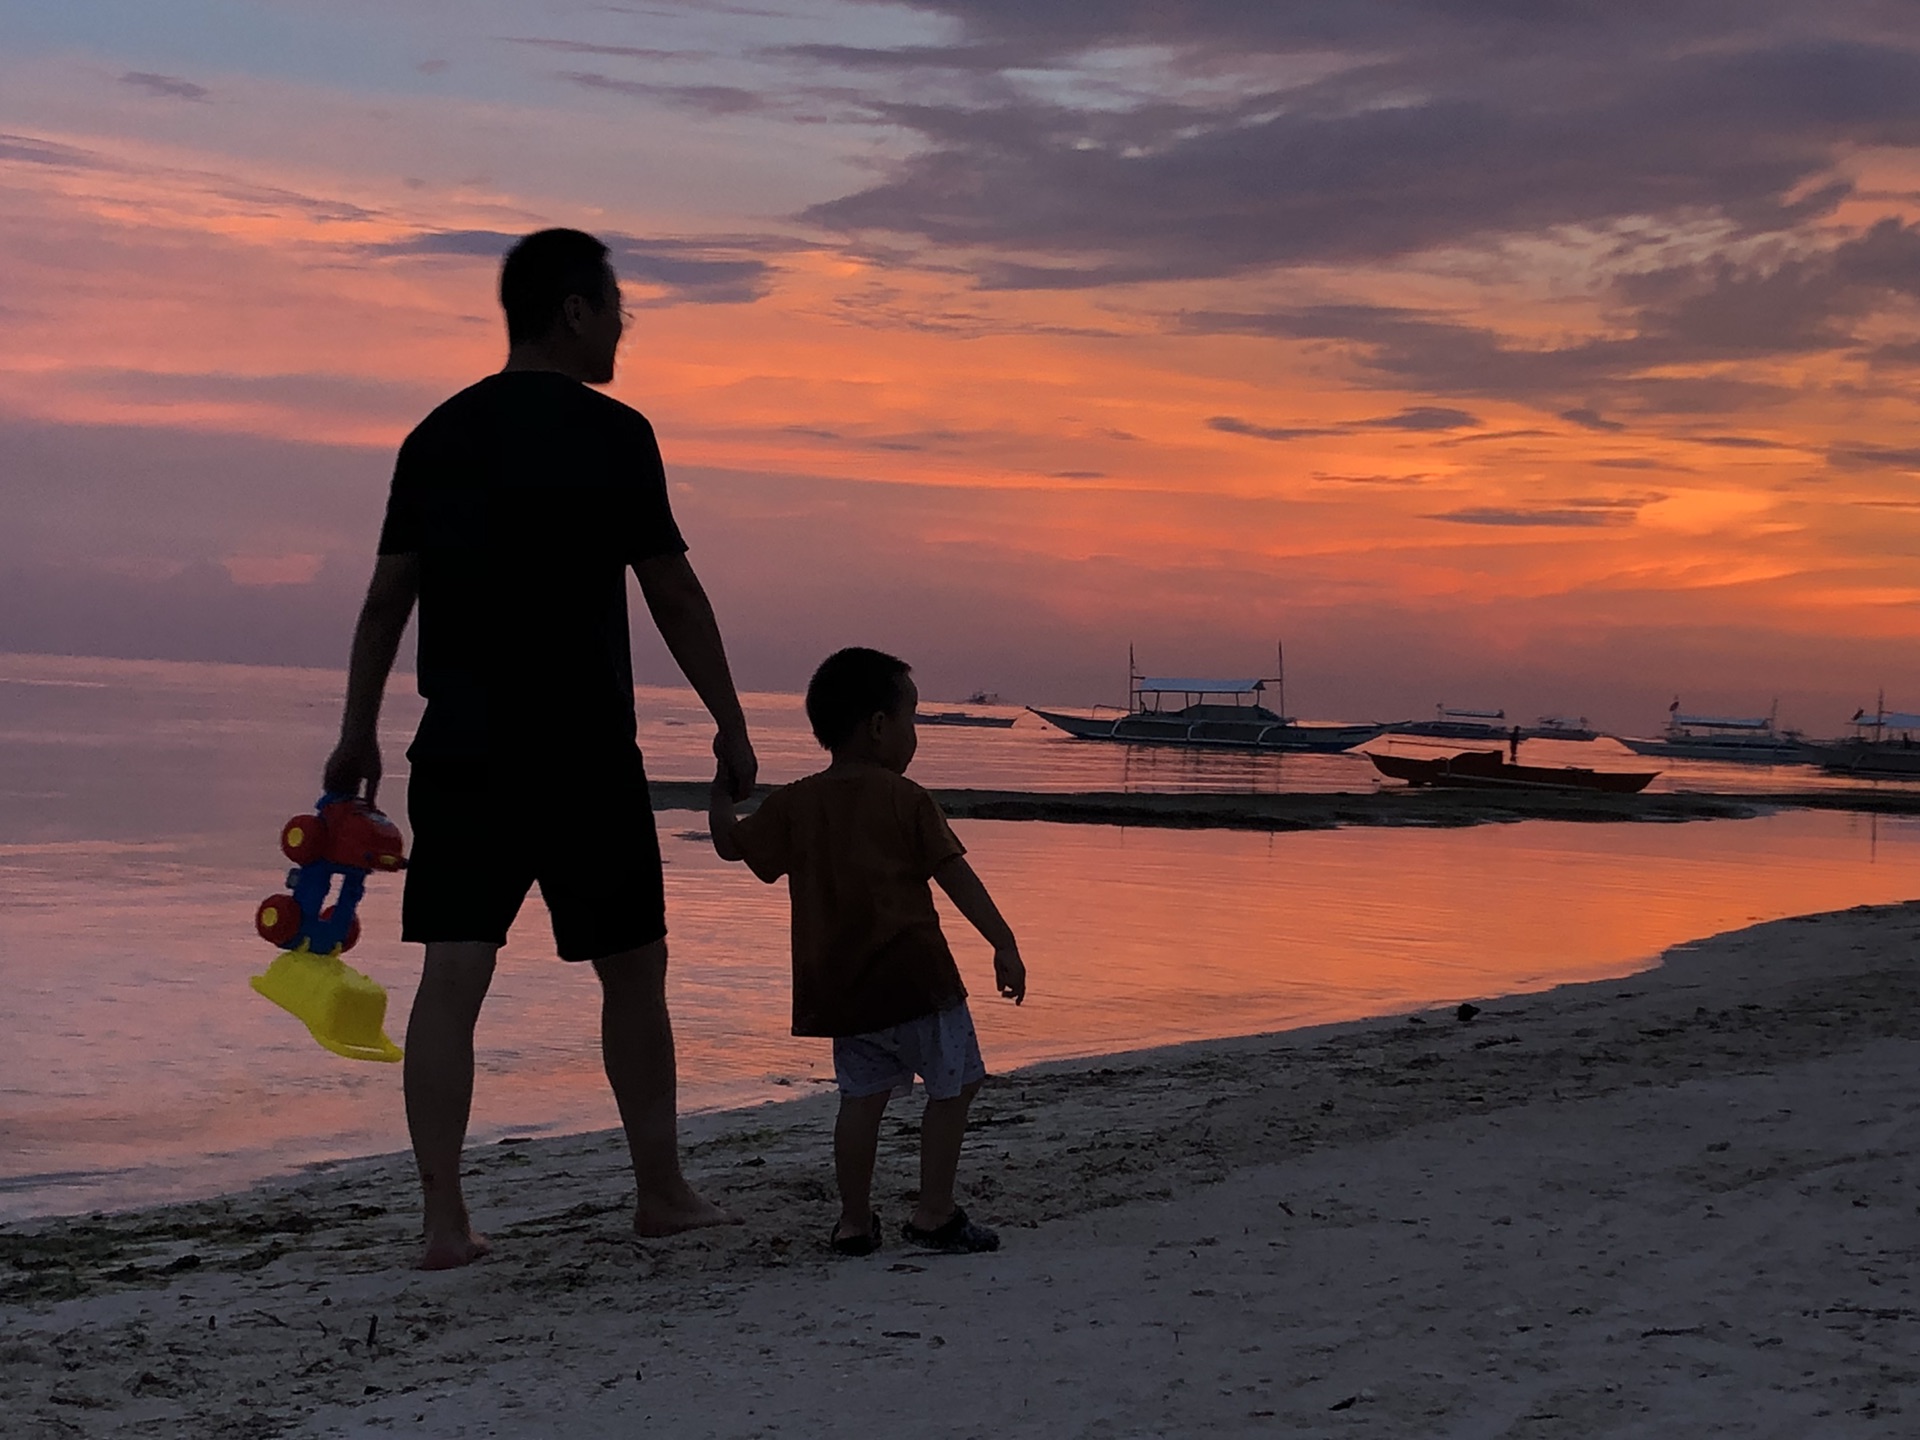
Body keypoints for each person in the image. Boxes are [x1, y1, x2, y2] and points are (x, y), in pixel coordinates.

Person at [323, 228, 757, 1270]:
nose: (622, 331)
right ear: (574, 310)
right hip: (582, 750)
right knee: (633, 971)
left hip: (463, 748)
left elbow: (388, 599)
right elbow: (673, 593)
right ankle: (659, 1193)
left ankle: (442, 1224)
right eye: (617, 310)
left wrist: (356, 732)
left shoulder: (436, 436)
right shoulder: (615, 434)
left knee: (453, 973)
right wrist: (733, 725)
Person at [707, 647, 1026, 1255]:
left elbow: (735, 848)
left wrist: (722, 793)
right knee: (954, 1087)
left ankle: (854, 1222)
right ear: (879, 726)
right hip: (918, 981)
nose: (915, 737)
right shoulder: (906, 799)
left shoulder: (797, 803)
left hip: (841, 991)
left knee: (861, 1101)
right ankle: (934, 1212)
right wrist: (1003, 942)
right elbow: (956, 877)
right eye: (913, 720)